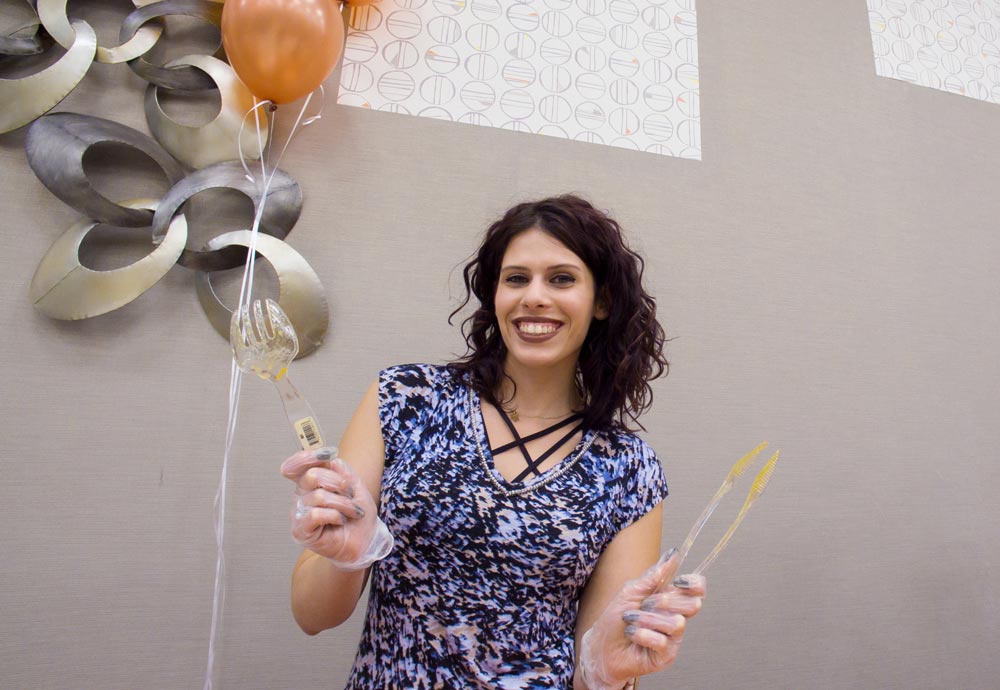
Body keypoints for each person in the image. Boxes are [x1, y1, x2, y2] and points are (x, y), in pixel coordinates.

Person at [280, 195, 707, 689]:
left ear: (603, 301)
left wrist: (606, 672)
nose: (534, 297)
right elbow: (312, 616)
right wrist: (347, 556)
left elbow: (597, 673)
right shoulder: (405, 399)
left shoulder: (629, 470)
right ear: (495, 294)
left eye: (562, 279)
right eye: (516, 278)